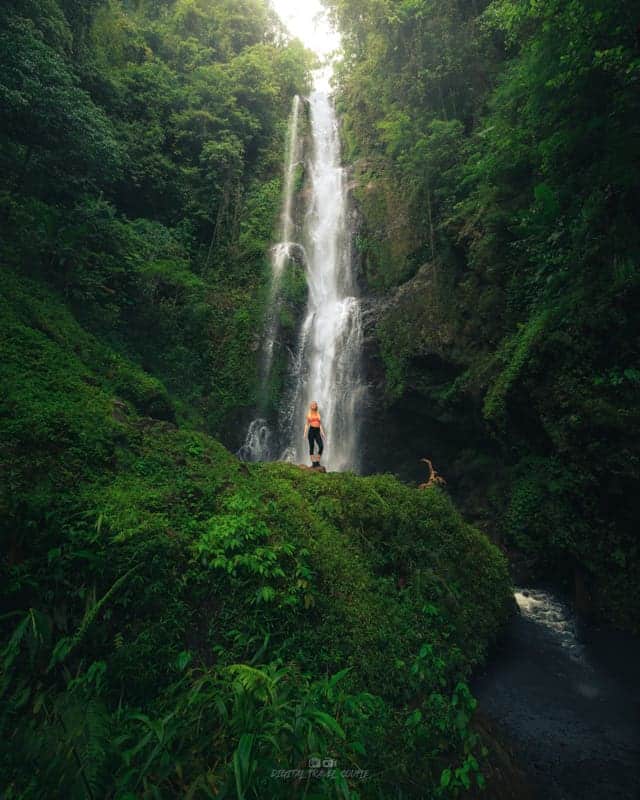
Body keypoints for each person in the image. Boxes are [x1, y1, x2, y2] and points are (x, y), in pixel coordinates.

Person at [303, 400, 326, 468]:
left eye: (315, 404)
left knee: (321, 446)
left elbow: (320, 424)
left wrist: (322, 433)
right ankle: (313, 463)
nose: (313, 405)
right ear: (310, 406)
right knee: (311, 447)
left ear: (316, 406)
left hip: (317, 431)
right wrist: (305, 433)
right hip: (311, 431)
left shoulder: (318, 414)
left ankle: (317, 461)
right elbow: (307, 424)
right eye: (312, 404)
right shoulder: (309, 414)